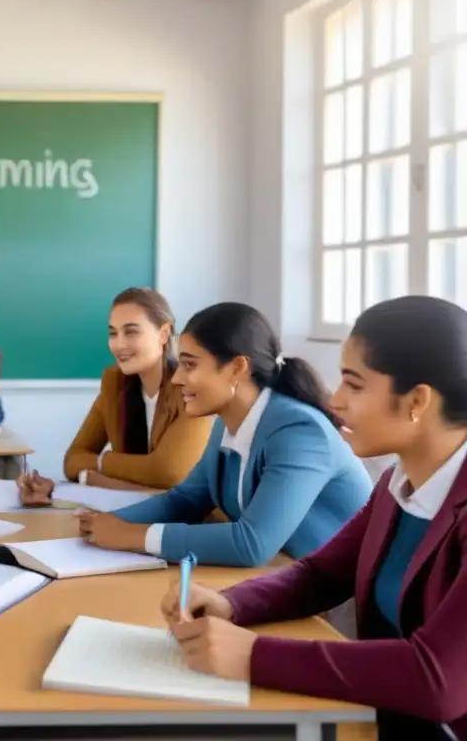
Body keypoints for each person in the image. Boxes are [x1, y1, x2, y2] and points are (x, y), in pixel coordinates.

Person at [161, 296, 467, 740]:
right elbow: (321, 575)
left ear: (417, 400)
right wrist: (233, 603)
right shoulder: (398, 483)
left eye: (354, 385)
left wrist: (253, 655)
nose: (335, 401)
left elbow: (439, 679)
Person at [61, 302, 372, 567]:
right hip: (284, 575)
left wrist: (133, 536)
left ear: (237, 368)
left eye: (189, 365)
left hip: (341, 606)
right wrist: (106, 522)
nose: (178, 379)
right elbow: (185, 500)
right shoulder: (227, 422)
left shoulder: (299, 432)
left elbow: (252, 543)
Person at [18, 288, 213, 502]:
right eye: (113, 333)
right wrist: (115, 479)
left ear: (164, 334)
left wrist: (99, 468)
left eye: (131, 332)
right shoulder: (114, 384)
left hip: (193, 524)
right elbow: (72, 460)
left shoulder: (190, 388)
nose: (118, 345)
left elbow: (168, 472)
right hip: (131, 513)